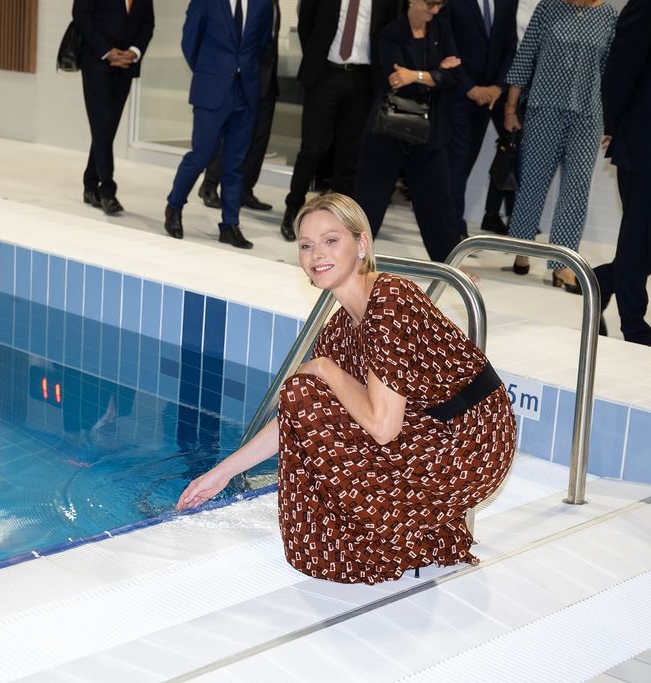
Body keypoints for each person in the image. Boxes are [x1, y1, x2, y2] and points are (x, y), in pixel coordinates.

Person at [176, 193, 515, 584]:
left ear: (362, 244)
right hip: (424, 430)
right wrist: (221, 473)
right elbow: (295, 416)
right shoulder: (340, 328)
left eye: (331, 240)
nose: (316, 253)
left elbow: (384, 427)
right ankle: (410, 533)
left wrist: (326, 370)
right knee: (302, 393)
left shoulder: (391, 300)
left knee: (308, 384)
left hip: (470, 440)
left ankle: (404, 537)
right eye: (306, 245)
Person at [503, 0, 617, 292]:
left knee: (576, 190)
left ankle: (562, 264)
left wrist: (613, 120)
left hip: (588, 116)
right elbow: (525, 56)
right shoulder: (548, 8)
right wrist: (511, 106)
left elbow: (612, 71)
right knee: (532, 183)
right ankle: (522, 251)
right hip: (543, 109)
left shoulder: (608, 16)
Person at [280, 0, 401, 241]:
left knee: (350, 154)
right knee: (312, 149)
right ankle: (294, 206)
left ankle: (340, 218)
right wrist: (315, 58)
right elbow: (306, 24)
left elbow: (389, 31)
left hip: (363, 80)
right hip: (325, 74)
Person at [352, 0, 463, 263]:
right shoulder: (391, 32)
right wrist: (435, 74)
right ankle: (353, 260)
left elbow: (454, 79)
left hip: (430, 136)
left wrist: (416, 75)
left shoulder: (442, 30)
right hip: (389, 131)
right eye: (430, 3)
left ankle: (450, 266)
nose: (434, 10)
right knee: (368, 203)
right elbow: (397, 81)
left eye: (439, 5)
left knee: (438, 204)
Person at [164, 0, 274, 250]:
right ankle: (174, 207)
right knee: (201, 155)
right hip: (211, 89)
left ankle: (230, 225)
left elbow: (262, 42)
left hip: (245, 92)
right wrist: (210, 72)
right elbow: (189, 41)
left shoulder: (263, 4)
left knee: (235, 164)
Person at [592, 0, 651, 347]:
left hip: (650, 139)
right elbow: (624, 62)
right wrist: (610, 123)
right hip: (649, 138)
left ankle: (604, 281)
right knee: (639, 235)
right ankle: (636, 330)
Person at [197, 0, 281, 214]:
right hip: (241, 78)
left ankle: (245, 190)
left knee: (259, 138)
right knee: (228, 135)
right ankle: (209, 185)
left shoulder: (273, 3)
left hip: (266, 80)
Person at [72, 0, 155, 215]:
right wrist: (106, 51)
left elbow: (148, 23)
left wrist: (135, 52)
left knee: (106, 127)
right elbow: (81, 14)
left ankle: (90, 184)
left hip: (126, 65)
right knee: (102, 124)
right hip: (96, 62)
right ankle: (107, 189)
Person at [444, 0, 518, 240]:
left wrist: (498, 87)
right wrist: (470, 88)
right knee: (457, 164)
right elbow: (448, 44)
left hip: (488, 99)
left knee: (466, 164)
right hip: (458, 95)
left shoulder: (507, 3)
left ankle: (451, 222)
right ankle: (454, 229)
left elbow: (509, 46)